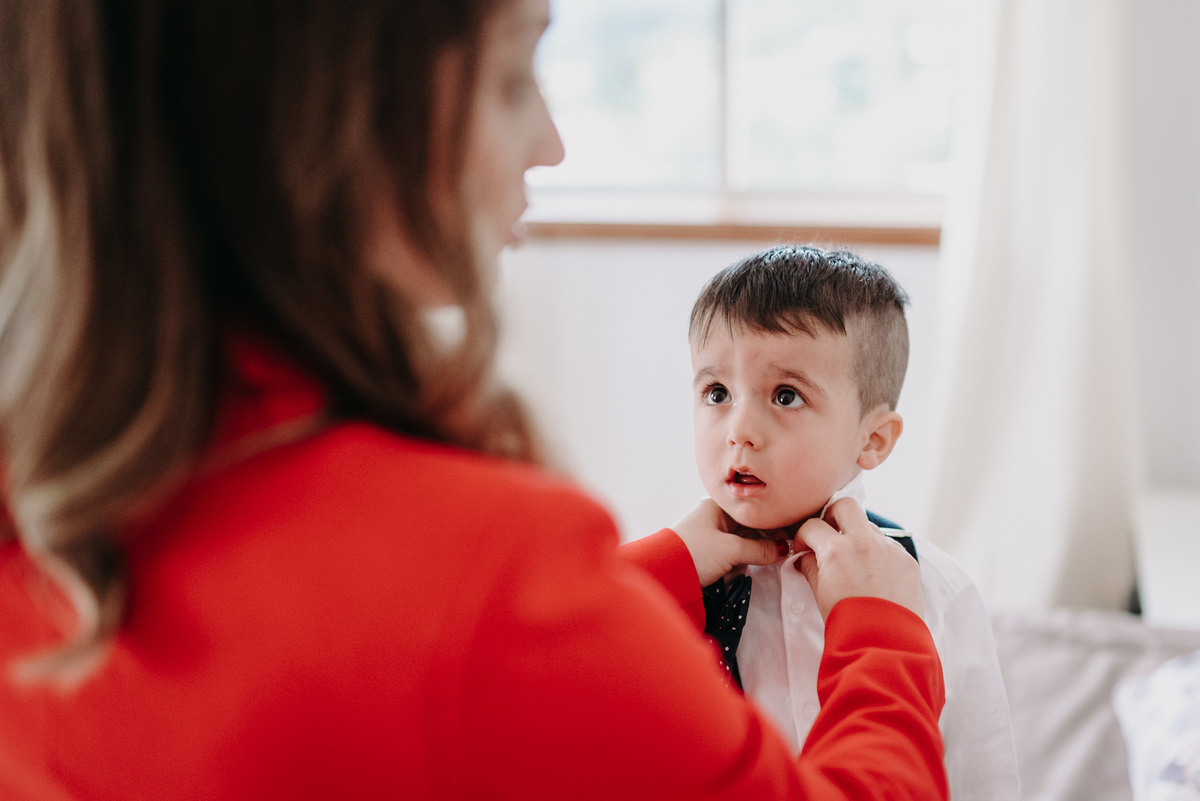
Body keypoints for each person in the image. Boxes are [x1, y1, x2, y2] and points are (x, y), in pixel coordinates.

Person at [0, 1, 947, 798]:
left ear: (878, 436)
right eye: (509, 78)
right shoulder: (485, 573)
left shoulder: (46, 497)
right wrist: (885, 638)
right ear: (334, 114)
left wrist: (646, 576)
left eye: (786, 394)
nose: (552, 141)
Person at [664, 243, 1019, 799]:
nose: (739, 429)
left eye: (786, 395)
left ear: (872, 439)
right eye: (717, 392)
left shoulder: (934, 590)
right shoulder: (667, 592)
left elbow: (980, 774)